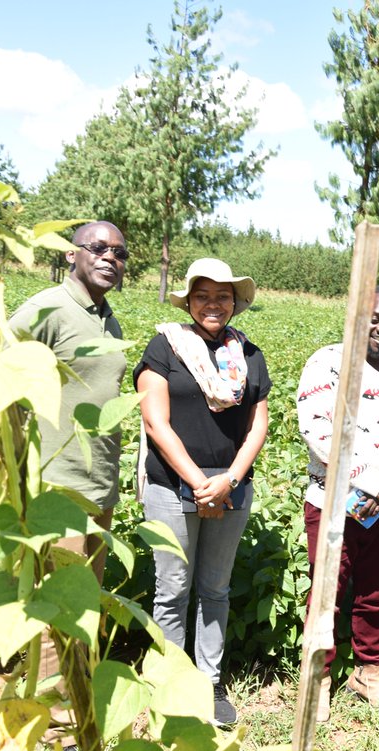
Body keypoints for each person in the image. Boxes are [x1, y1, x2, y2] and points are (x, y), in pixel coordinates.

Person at [135, 258, 271, 726]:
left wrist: (228, 480)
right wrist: (199, 483)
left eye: (222, 296)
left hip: (231, 488)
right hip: (174, 487)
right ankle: (169, 685)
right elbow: (155, 422)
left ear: (235, 302)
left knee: (215, 589)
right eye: (203, 295)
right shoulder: (164, 347)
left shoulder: (249, 354)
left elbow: (258, 426)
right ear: (189, 301)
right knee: (171, 588)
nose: (213, 304)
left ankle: (210, 683)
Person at [9, 221, 127, 751]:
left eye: (119, 253)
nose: (109, 258)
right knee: (58, 605)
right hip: (58, 482)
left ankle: (75, 702)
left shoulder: (107, 318)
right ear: (72, 255)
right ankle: (58, 730)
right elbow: (2, 368)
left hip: (98, 484)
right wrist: (8, 452)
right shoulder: (47, 308)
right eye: (98, 248)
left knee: (86, 602)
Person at [297, 286, 379, 711]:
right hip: (333, 499)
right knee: (327, 591)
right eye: (376, 317)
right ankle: (317, 678)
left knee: (377, 592)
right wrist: (368, 480)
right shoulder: (327, 363)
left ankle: (368, 671)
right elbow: (317, 429)